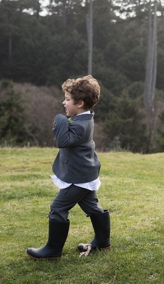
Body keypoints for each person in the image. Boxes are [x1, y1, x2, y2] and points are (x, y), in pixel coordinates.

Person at [26, 76, 111, 260]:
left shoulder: (80, 125)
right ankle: (103, 242)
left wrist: (59, 119)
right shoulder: (84, 118)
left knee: (57, 208)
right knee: (92, 207)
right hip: (84, 174)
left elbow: (63, 141)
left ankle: (53, 250)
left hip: (78, 177)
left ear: (80, 103)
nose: (63, 103)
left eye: (67, 99)